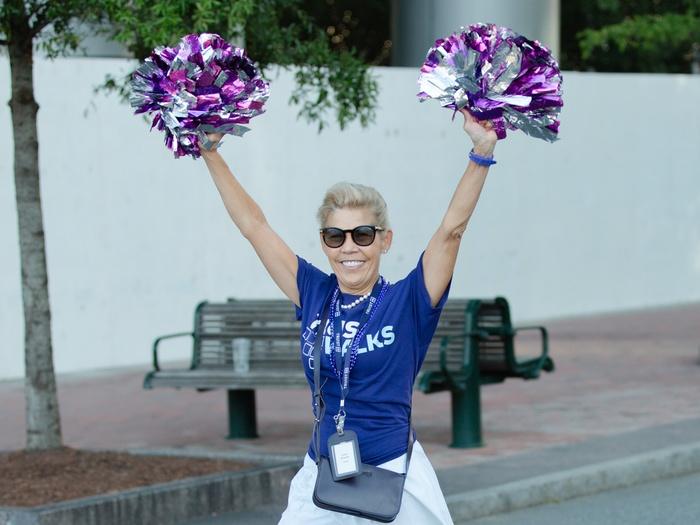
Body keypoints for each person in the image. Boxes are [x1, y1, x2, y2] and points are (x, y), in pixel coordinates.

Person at [200, 109, 497, 524]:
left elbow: (451, 231)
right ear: (324, 243)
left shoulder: (409, 301)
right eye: (335, 236)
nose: (349, 248)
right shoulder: (314, 292)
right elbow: (255, 226)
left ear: (384, 241)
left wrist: (481, 153)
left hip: (393, 475)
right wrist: (210, 153)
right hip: (323, 474)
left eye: (363, 235)